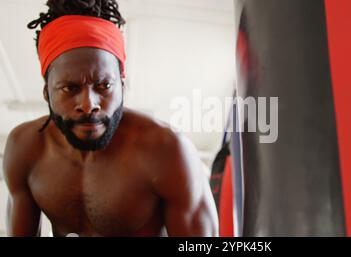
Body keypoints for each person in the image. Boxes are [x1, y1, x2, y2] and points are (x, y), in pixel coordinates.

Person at [2, 0, 218, 237]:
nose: (88, 105)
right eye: (69, 88)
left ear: (122, 87)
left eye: (104, 85)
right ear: (47, 92)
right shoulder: (24, 148)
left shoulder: (167, 150)